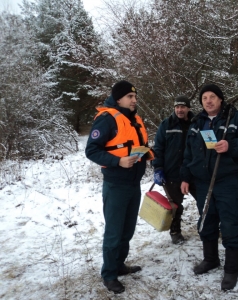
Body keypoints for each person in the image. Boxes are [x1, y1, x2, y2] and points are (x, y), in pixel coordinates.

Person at [180, 84, 238, 290]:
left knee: (231, 223)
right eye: (204, 98)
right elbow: (189, 154)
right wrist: (185, 177)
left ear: (220, 99)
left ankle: (232, 269)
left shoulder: (235, 118)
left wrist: (231, 146)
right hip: (203, 183)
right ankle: (211, 259)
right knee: (206, 220)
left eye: (212, 96)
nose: (208, 101)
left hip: (226, 181)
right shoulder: (197, 122)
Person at [85, 80, 154, 294]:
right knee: (114, 233)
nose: (134, 100)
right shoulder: (107, 119)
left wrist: (147, 154)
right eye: (130, 97)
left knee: (127, 230)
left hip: (134, 184)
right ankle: (109, 274)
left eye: (135, 97)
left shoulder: (133, 119)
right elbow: (92, 150)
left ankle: (120, 264)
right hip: (116, 185)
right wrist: (118, 161)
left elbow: (133, 145)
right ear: (119, 99)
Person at [152, 95, 197, 244]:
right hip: (172, 171)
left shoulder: (196, 123)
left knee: (205, 201)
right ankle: (175, 231)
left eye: (183, 107)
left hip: (194, 171)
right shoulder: (167, 124)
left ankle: (208, 227)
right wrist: (158, 167)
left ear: (188, 108)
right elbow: (158, 148)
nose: (179, 109)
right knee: (175, 206)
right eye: (177, 107)